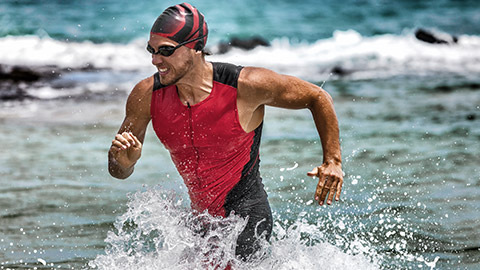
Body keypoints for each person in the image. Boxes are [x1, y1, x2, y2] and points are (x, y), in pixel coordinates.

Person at [108, 2, 343, 262]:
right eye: (151, 50)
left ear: (196, 48)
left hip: (246, 220)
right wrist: (123, 161)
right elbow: (118, 171)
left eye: (166, 50)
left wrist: (332, 161)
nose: (155, 60)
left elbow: (317, 97)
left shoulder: (245, 86)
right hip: (200, 225)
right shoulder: (146, 95)